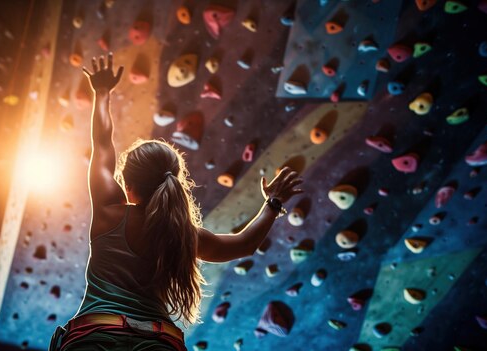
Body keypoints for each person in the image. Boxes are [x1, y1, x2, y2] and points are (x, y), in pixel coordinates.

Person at [48, 53, 303, 351]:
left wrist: (102, 93)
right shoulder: (183, 236)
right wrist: (272, 203)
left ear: (127, 186)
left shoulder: (109, 213)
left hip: (94, 338)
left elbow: (102, 144)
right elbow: (244, 243)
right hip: (159, 343)